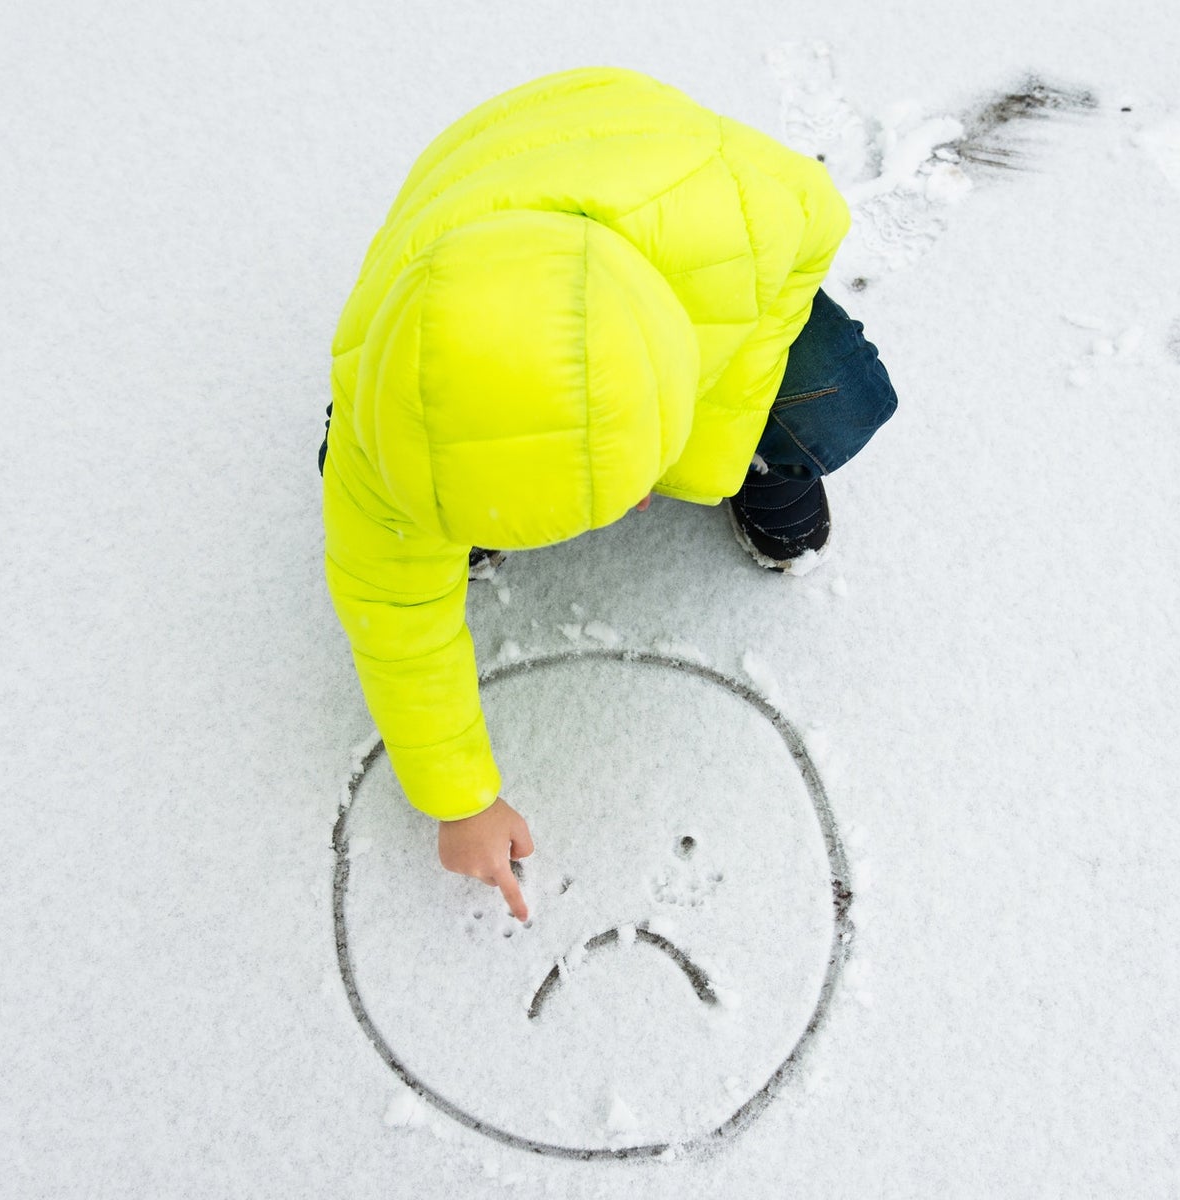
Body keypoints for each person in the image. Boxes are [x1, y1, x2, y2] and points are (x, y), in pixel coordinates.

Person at [322, 67, 896, 920]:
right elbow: (394, 619)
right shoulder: (387, 422)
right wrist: (461, 799)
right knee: (385, 484)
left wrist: (703, 456)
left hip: (667, 199)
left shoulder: (740, 212)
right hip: (472, 213)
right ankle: (505, 500)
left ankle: (758, 465)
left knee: (838, 395)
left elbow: (816, 218)